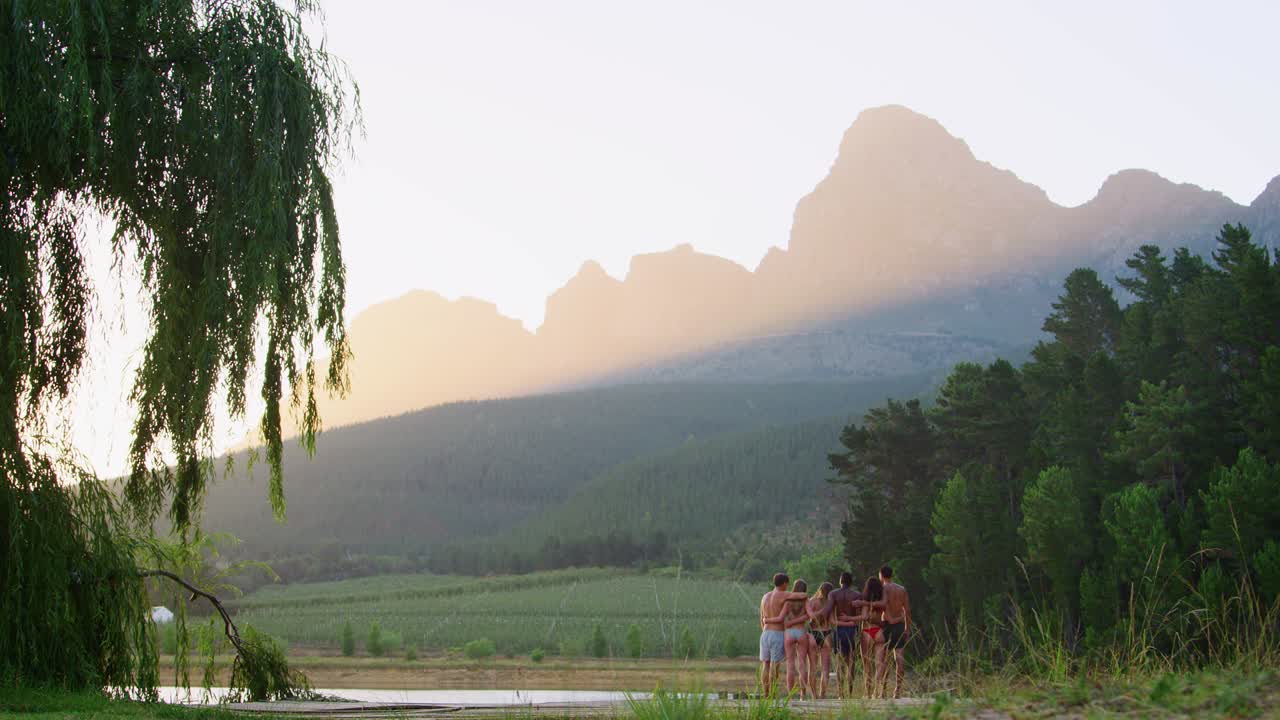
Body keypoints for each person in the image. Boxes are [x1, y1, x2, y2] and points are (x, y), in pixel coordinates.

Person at [758, 573, 808, 695]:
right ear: (784, 583)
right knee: (775, 666)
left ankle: (766, 693)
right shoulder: (784, 595)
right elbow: (803, 595)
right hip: (777, 633)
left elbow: (761, 617)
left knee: (766, 664)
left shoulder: (765, 596)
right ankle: (773, 695)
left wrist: (766, 623)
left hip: (765, 633)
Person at [814, 571, 862, 698]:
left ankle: (841, 694)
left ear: (840, 582)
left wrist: (815, 618)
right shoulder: (857, 594)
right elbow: (859, 617)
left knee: (840, 661)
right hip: (853, 630)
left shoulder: (834, 594)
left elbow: (827, 610)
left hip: (839, 630)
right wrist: (851, 621)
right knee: (851, 661)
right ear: (851, 582)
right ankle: (850, 693)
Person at [876, 565, 911, 699]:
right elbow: (907, 611)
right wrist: (907, 629)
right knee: (899, 658)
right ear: (892, 574)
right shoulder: (902, 589)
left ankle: (882, 691)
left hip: (886, 625)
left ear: (881, 575)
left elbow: (882, 608)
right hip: (900, 626)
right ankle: (897, 690)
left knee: (883, 659)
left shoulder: (882, 589)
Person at [848, 576, 885, 698]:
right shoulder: (881, 599)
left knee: (867, 665)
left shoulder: (864, 599)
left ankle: (867, 693)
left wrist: (850, 618)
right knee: (879, 664)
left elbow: (863, 617)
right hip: (879, 631)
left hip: (867, 631)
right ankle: (877, 692)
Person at [807, 582, 835, 698]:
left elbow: (810, 619)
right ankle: (822, 694)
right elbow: (833, 621)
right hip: (826, 633)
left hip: (813, 634)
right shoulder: (831, 604)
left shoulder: (812, 601)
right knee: (825, 668)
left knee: (812, 667)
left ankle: (814, 695)